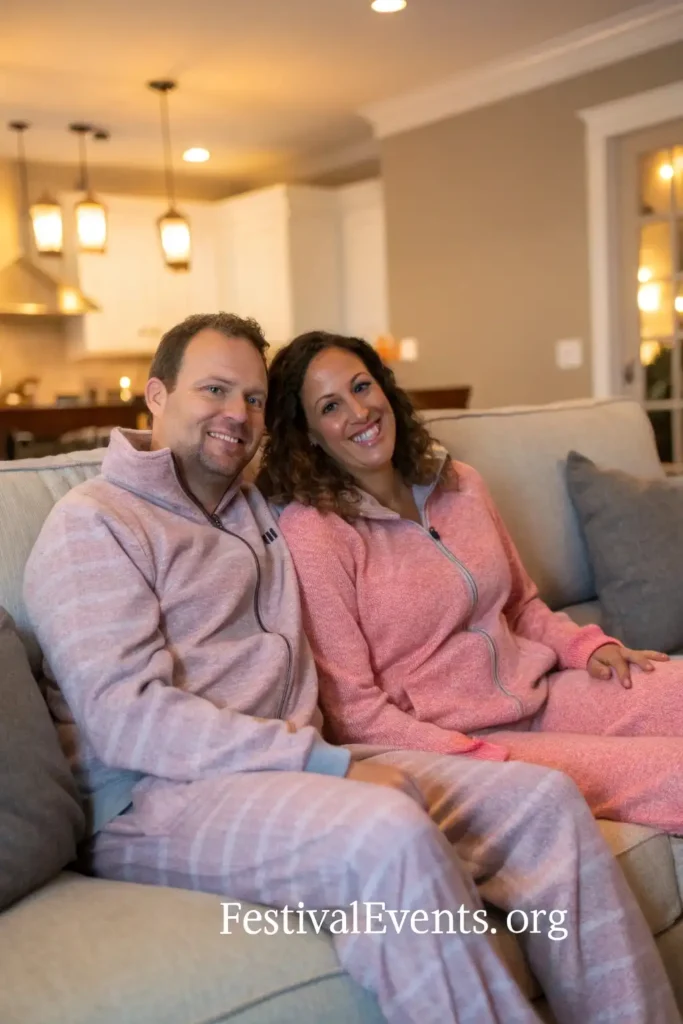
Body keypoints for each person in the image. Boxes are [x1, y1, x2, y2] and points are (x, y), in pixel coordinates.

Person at [23, 313, 679, 1024]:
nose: (234, 415)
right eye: (213, 390)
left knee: (543, 801)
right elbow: (129, 722)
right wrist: (328, 765)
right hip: (158, 795)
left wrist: (324, 759)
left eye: (250, 399)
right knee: (386, 836)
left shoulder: (253, 507)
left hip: (301, 759)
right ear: (155, 394)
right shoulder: (95, 522)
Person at [259, 329, 683, 836]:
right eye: (330, 406)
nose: (358, 412)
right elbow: (354, 713)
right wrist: (470, 759)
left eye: (362, 386)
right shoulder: (316, 533)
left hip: (541, 691)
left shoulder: (460, 483)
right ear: (307, 433)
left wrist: (587, 648)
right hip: (459, 736)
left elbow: (522, 606)